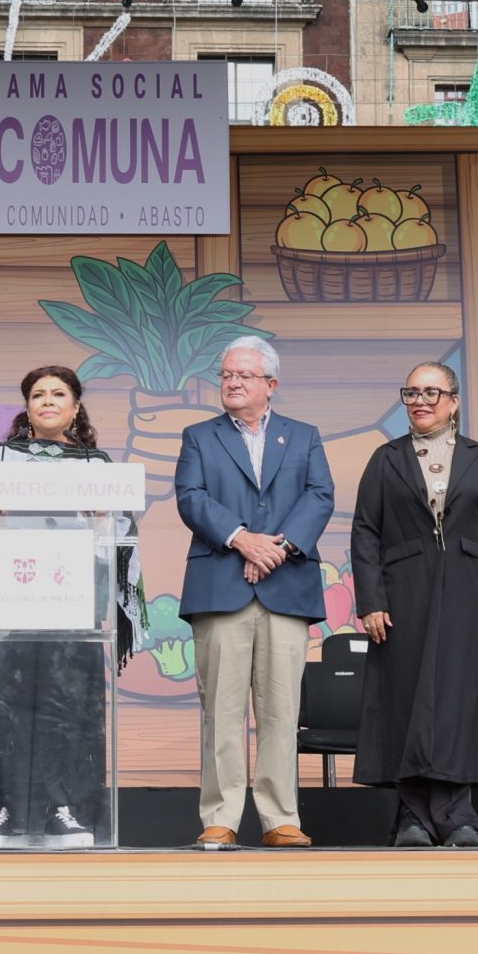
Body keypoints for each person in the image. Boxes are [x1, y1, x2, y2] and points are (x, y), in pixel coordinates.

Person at [0, 365, 142, 847]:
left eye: (59, 394)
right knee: (5, 704)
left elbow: (122, 536)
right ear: (27, 407)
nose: (48, 401)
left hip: (73, 606)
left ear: (76, 407)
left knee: (69, 706)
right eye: (38, 395)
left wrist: (106, 520)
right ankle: (1, 810)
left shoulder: (99, 468)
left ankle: (66, 809)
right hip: (7, 605)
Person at [173, 336, 336, 850]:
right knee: (220, 710)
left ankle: (280, 817)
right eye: (225, 375)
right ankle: (219, 817)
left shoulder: (303, 436)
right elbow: (191, 497)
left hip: (285, 587)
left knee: (280, 710)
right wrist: (242, 539)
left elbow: (320, 495)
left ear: (271, 384)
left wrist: (278, 548)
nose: (232, 382)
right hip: (221, 586)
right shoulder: (199, 436)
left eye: (243, 375)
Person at [348, 361, 478, 847]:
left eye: (432, 392)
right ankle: (413, 819)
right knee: (407, 701)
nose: (420, 401)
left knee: (458, 702)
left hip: (468, 592)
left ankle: (459, 816)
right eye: (411, 393)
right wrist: (371, 600)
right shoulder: (386, 458)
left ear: (454, 400)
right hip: (402, 593)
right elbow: (366, 532)